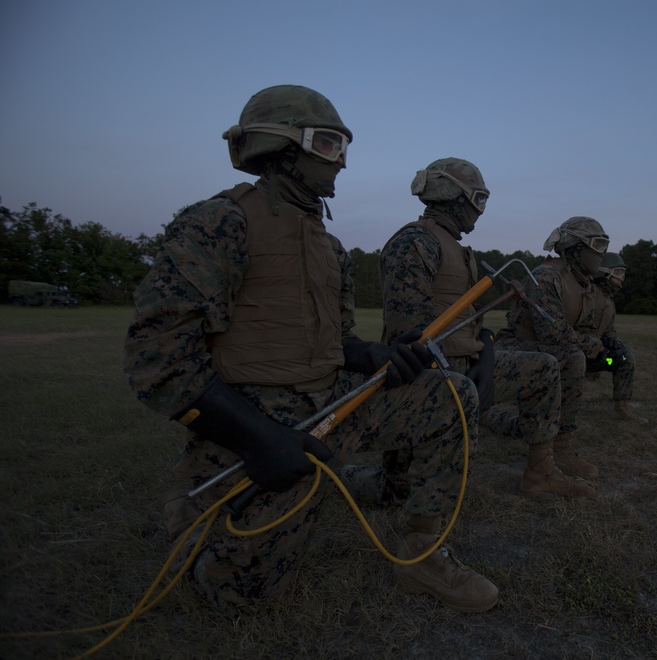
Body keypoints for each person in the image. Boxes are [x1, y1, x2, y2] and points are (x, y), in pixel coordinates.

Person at [122, 85, 497, 613]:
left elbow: (336, 341)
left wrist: (373, 356)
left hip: (328, 402)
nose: (341, 163)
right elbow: (157, 362)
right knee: (237, 599)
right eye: (328, 144)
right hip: (258, 415)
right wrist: (259, 440)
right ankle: (198, 499)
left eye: (345, 148)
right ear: (281, 146)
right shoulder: (218, 222)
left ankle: (423, 554)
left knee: (450, 397)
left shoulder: (330, 245)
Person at [343, 158, 594, 502]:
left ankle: (541, 472)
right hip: (428, 374)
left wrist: (485, 353)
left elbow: (468, 320)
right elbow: (408, 337)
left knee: (544, 369)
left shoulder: (456, 248)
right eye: (478, 200)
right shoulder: (416, 242)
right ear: (455, 198)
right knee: (397, 491)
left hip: (464, 362)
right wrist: (460, 372)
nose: (480, 212)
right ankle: (353, 479)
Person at [494, 216, 613, 479]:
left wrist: (600, 348)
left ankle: (550, 438)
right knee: (572, 358)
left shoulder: (585, 285)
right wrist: (591, 346)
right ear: (576, 248)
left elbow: (582, 330)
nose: (602, 253)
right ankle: (559, 447)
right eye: (597, 244)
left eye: (605, 244)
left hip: (543, 347)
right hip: (514, 346)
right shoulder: (547, 277)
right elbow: (553, 333)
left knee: (579, 355)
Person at [584, 252, 648, 423]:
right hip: (575, 356)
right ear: (603, 272)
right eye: (618, 273)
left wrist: (612, 344)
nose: (622, 279)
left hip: (595, 355)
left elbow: (609, 331)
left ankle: (623, 408)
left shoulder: (608, 301)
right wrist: (597, 345)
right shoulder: (585, 295)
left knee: (624, 356)